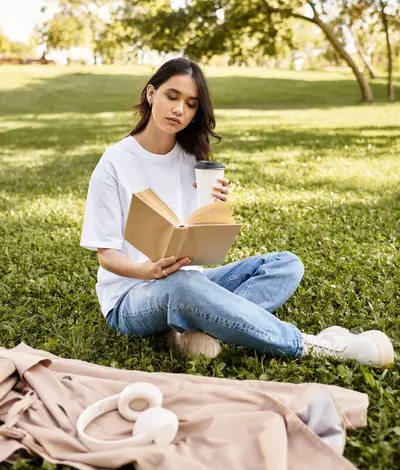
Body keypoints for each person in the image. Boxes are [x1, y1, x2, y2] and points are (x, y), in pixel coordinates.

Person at [80, 57, 394, 367]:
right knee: (183, 287)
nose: (179, 109)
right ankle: (321, 347)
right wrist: (147, 272)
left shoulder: (192, 159)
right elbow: (106, 256)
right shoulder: (115, 162)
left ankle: (193, 327)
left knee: (285, 265)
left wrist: (215, 207)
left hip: (190, 279)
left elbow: (196, 239)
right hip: (131, 297)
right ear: (152, 94)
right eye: (171, 96)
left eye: (191, 104)